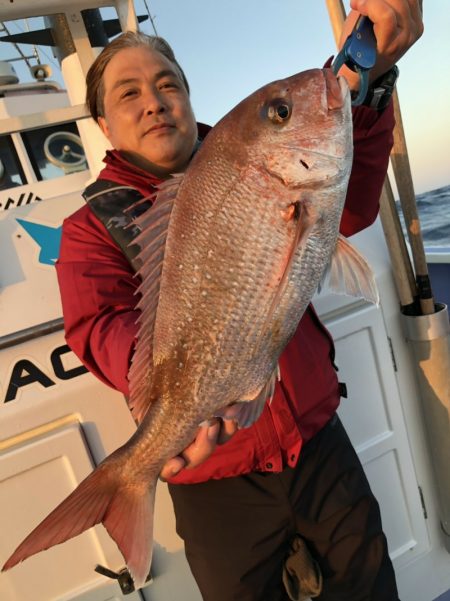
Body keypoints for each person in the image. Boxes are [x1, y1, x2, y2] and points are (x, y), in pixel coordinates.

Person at [55, 1, 423, 599]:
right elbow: (97, 327)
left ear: (190, 98)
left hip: (317, 442)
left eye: (167, 83)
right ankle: (124, 484)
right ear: (102, 123)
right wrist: (178, 371)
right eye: (129, 93)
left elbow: (350, 209)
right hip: (212, 479)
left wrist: (374, 82)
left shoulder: (246, 160)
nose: (154, 101)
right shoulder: (89, 229)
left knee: (372, 587)